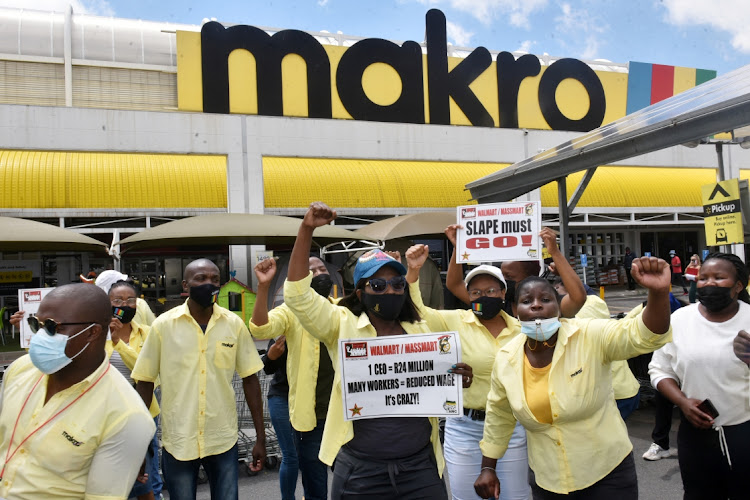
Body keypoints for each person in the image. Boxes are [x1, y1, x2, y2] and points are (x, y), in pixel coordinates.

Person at [283, 202, 473, 500]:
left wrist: (455, 376)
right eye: (378, 284)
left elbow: (438, 378)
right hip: (361, 472)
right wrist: (306, 229)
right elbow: (297, 295)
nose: (391, 291)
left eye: (397, 283)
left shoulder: (421, 328)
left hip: (420, 469)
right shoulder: (340, 324)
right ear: (360, 292)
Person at [406, 226, 585, 500]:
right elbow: (416, 311)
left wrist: (555, 252)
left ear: (504, 293)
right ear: (468, 298)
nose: (483, 297)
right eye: (475, 293)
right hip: (465, 428)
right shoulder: (454, 321)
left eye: (491, 290)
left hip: (514, 429)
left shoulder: (524, 328)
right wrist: (414, 273)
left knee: (516, 497)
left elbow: (576, 300)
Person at [475, 256, 672, 499]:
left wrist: (659, 293)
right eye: (527, 301)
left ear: (559, 307)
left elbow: (646, 336)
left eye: (545, 299)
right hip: (548, 479)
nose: (536, 306)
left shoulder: (589, 334)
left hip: (607, 473)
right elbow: (499, 414)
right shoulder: (506, 358)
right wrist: (487, 467)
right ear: (515, 310)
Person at [0, 284, 155, 499]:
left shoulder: (127, 415)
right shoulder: (20, 370)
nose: (41, 336)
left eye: (53, 327)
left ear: (92, 332)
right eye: (37, 324)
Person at [132, 258, 266, 500]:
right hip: (179, 439)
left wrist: (260, 438)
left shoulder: (233, 324)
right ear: (185, 284)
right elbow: (144, 382)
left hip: (222, 437)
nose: (209, 284)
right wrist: (141, 445)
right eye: (201, 279)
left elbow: (250, 379)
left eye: (215, 279)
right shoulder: (163, 326)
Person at [649, 252, 750, 499]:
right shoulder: (680, 319)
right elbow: (659, 370)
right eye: (703, 278)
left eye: (718, 277)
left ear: (738, 286)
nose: (709, 283)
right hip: (696, 434)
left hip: (744, 433)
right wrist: (683, 402)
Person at [250, 256, 335, 500]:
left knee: (329, 462)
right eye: (312, 271)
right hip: (287, 398)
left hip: (329, 404)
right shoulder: (288, 312)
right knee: (294, 457)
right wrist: (273, 355)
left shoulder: (339, 309)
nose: (319, 274)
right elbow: (260, 329)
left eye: (322, 269)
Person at [104, 279, 163, 500]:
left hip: (143, 409)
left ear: (137, 305)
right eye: (117, 300)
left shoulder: (148, 333)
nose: (124, 305)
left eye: (130, 300)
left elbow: (147, 371)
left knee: (147, 468)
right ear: (108, 303)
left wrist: (119, 343)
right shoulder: (99, 334)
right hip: (109, 411)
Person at [553, 277, 642, 421]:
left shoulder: (581, 311)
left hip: (608, 393)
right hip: (622, 389)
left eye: (557, 289)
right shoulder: (595, 307)